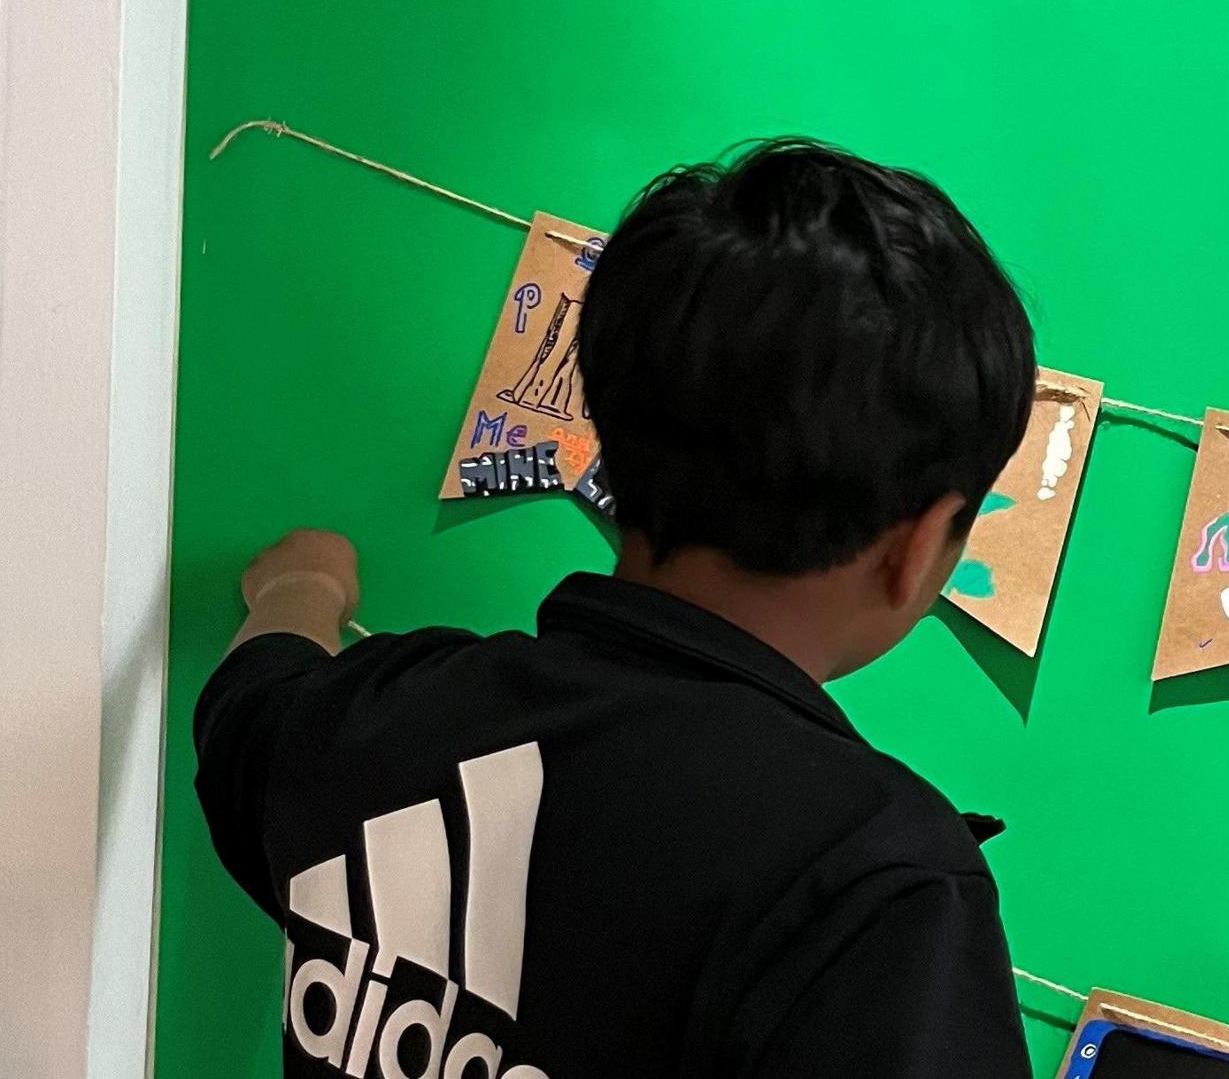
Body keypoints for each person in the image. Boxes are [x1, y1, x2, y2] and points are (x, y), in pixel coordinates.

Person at [195, 139, 1039, 1079]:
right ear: (919, 547)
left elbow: (249, 701)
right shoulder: (875, 889)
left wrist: (300, 586)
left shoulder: (388, 716)